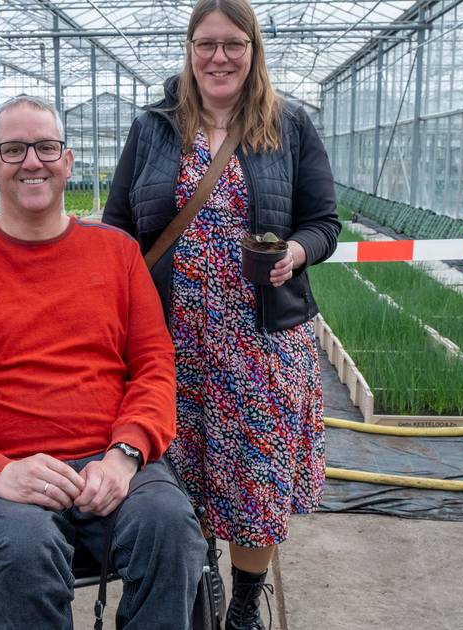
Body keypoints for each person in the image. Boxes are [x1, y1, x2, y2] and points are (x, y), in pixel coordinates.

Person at [0, 95, 207, 630]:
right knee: (22, 549)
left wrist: (125, 456)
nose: (31, 161)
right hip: (4, 477)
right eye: (13, 149)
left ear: (68, 160)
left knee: (170, 528)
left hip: (109, 461)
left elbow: (154, 365)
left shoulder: (116, 253)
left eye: (45, 147)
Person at [102, 1, 341, 628]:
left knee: (252, 476)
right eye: (206, 44)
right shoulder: (154, 128)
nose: (219, 57)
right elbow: (119, 223)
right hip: (172, 336)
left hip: (261, 338)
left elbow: (324, 222)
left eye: (233, 44)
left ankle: (241, 605)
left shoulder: (289, 126)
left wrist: (295, 250)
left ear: (253, 50)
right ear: (189, 50)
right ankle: (194, 584)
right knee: (181, 471)